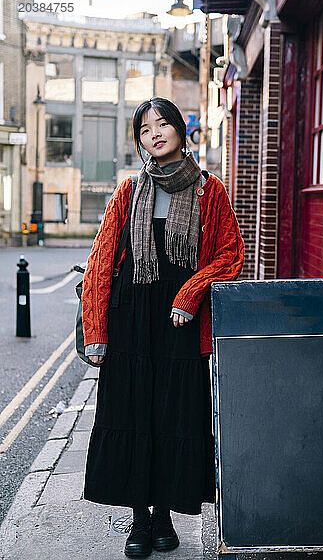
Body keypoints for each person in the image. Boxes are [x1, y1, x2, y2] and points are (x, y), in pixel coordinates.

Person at [81, 97, 245, 558]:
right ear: (139, 141)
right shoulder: (127, 193)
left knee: (174, 415)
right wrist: (96, 331)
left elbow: (229, 256)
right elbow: (100, 263)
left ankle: (166, 518)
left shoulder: (210, 191)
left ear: (181, 129)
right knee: (133, 413)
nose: (155, 133)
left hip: (179, 321)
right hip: (132, 319)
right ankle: (138, 520)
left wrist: (191, 294)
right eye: (145, 129)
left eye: (163, 123)